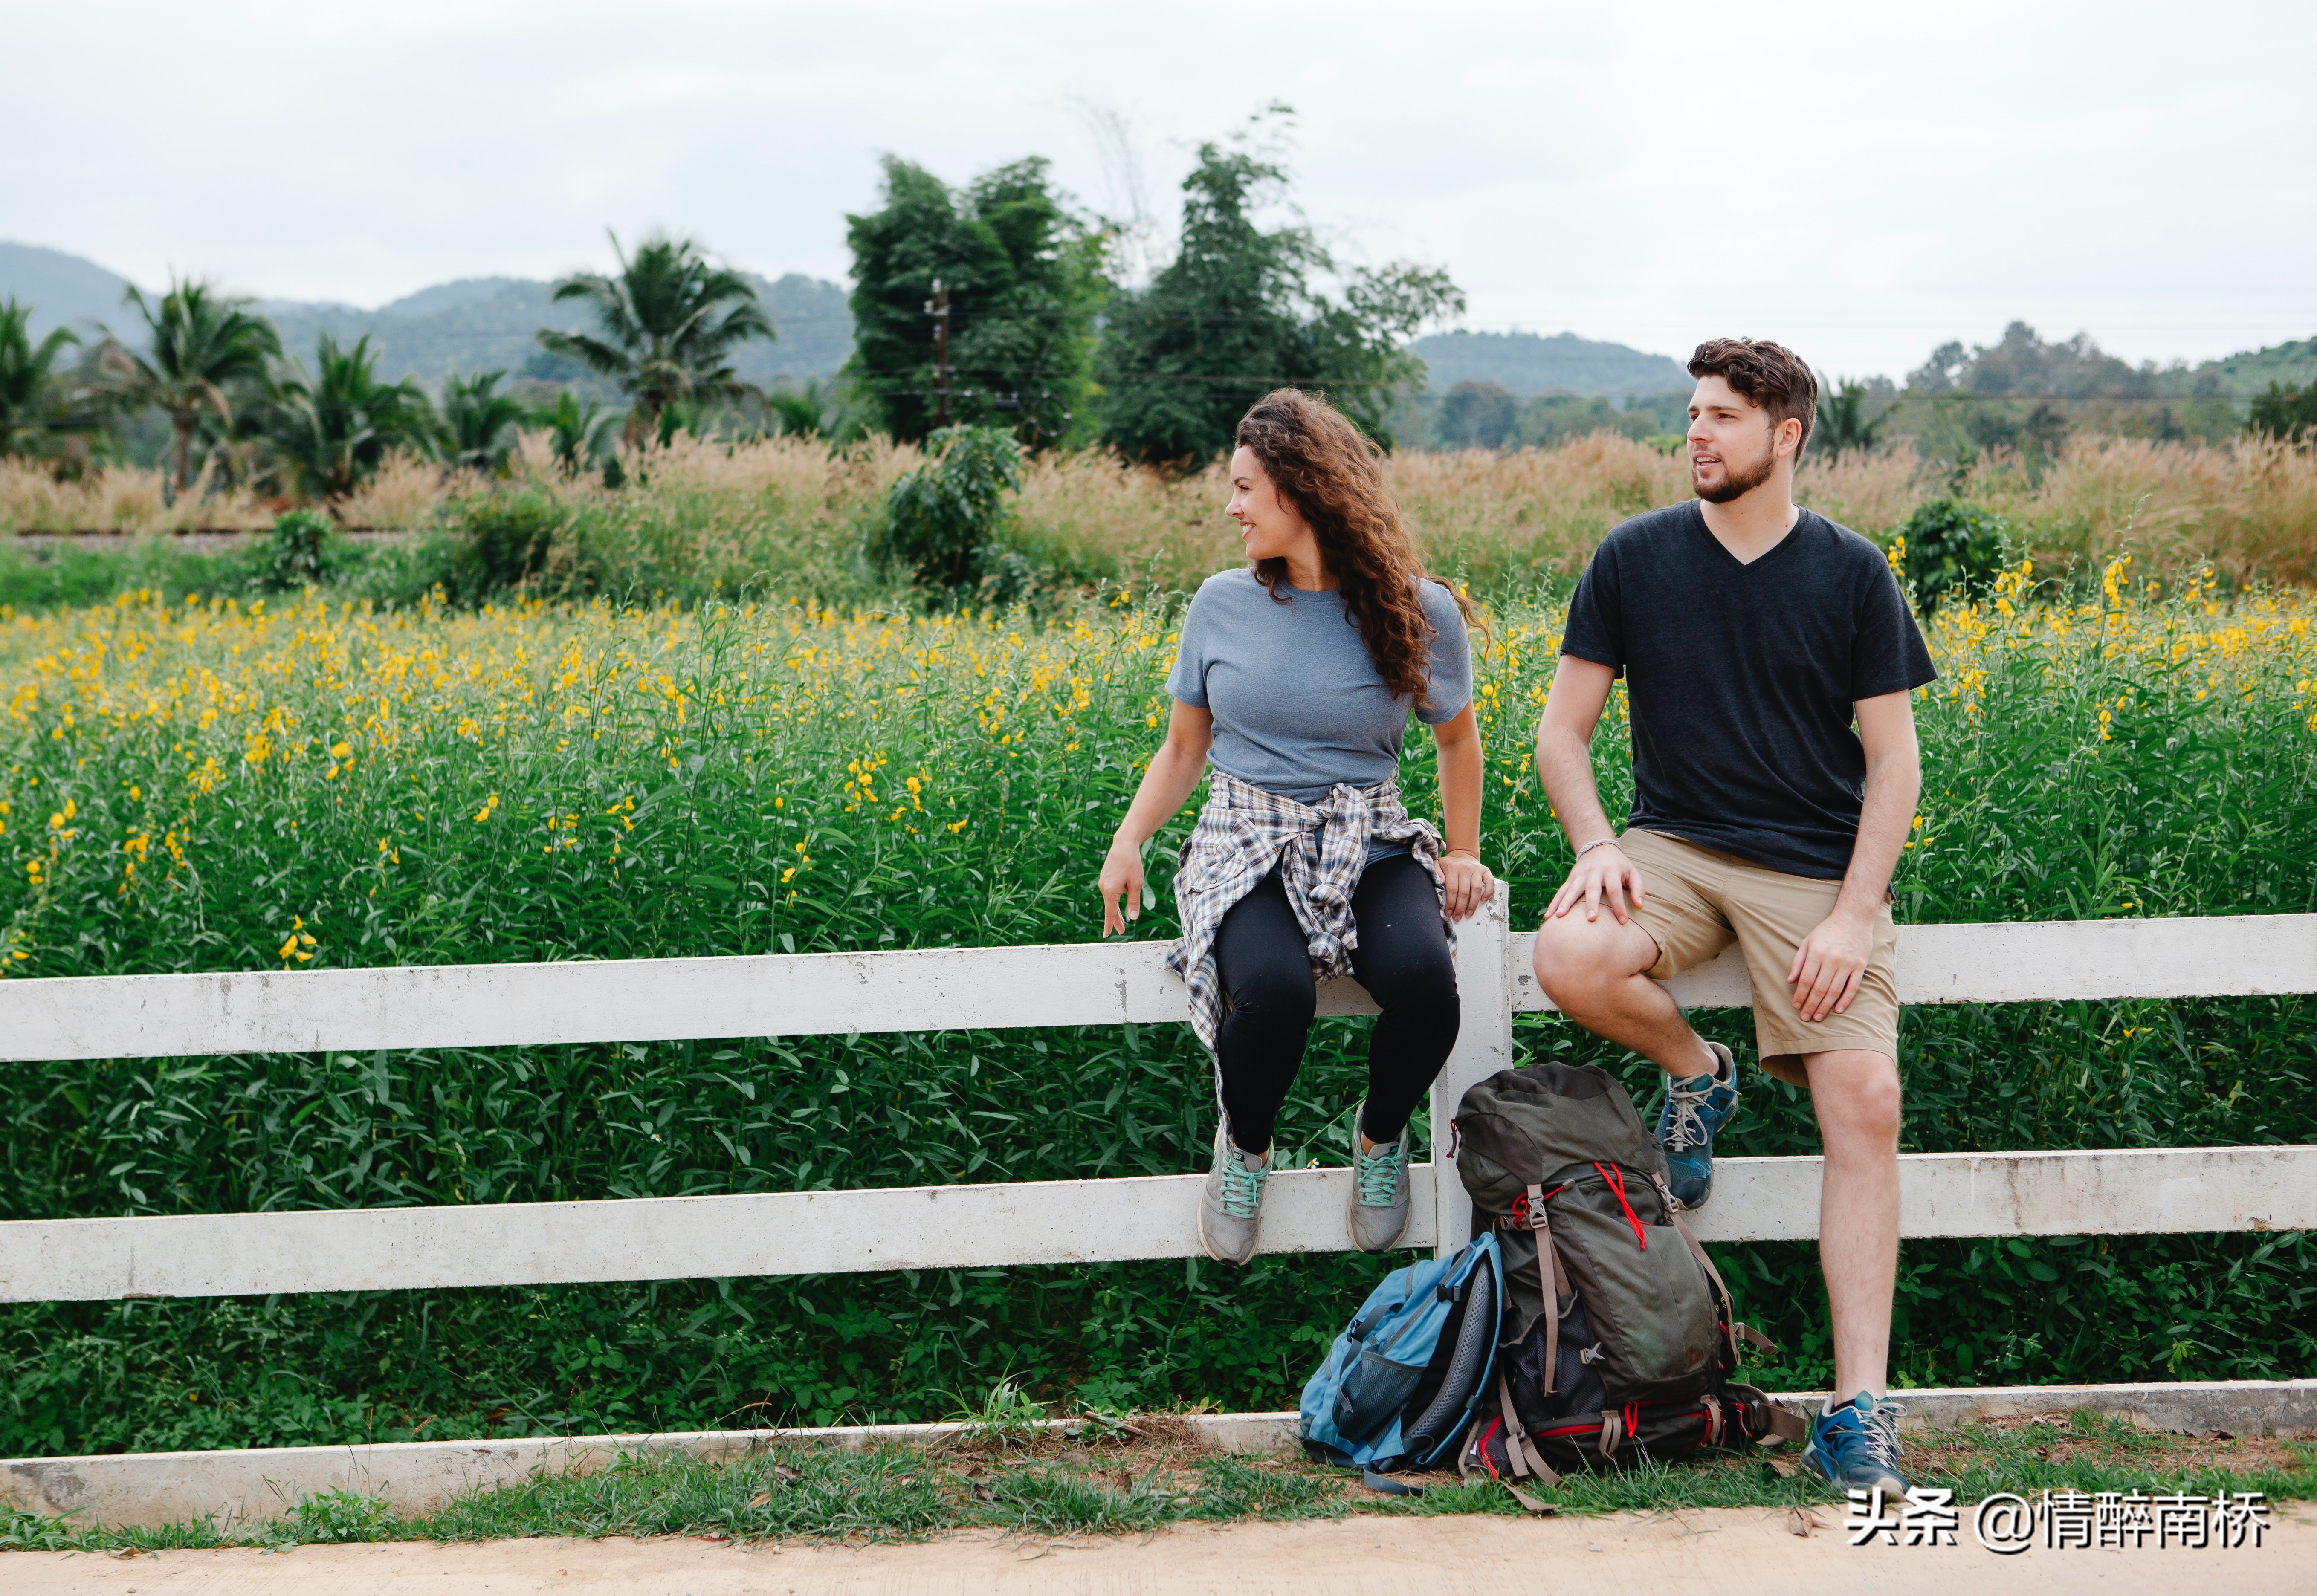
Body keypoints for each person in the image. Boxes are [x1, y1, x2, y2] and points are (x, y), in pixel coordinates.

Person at [1528, 339, 1933, 1496]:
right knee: (1571, 952)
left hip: (1811, 873)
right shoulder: (1634, 558)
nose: (1695, 434)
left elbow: (1894, 764)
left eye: (1720, 417)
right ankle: (1698, 1070)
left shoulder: (1852, 573)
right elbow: (1563, 734)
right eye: (1691, 414)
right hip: (1669, 851)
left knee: (1866, 1099)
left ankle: (1857, 1411)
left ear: (1785, 435)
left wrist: (1855, 915)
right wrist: (1598, 844)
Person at [1097, 388, 1495, 1265]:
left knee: (1428, 989)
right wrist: (1127, 841)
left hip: (1369, 834)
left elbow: (1457, 741)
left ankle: (1378, 1140)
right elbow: (1180, 749)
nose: (1230, 506)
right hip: (1245, 839)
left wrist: (1461, 852)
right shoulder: (1220, 605)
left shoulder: (1415, 609)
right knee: (1273, 995)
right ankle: (1244, 1148)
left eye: (1245, 487)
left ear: (1302, 489)